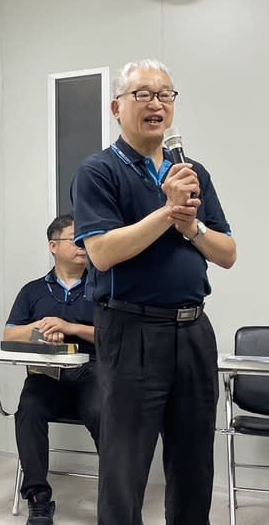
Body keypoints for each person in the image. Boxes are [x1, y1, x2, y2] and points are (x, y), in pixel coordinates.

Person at [71, 59, 237, 525]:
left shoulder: (192, 171)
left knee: (193, 464)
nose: (156, 104)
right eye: (143, 94)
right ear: (116, 107)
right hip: (131, 329)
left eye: (165, 95)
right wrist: (167, 212)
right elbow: (102, 253)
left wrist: (192, 225)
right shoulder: (98, 171)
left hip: (193, 331)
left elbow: (226, 253)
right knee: (125, 466)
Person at [4, 214, 99, 525]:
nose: (83, 244)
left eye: (86, 237)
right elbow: (9, 335)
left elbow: (115, 335)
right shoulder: (32, 291)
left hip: (92, 374)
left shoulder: (103, 286)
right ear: (53, 246)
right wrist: (41, 330)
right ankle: (38, 497)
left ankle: (116, 493)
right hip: (46, 375)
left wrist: (70, 326)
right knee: (28, 409)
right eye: (75, 238)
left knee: (105, 413)